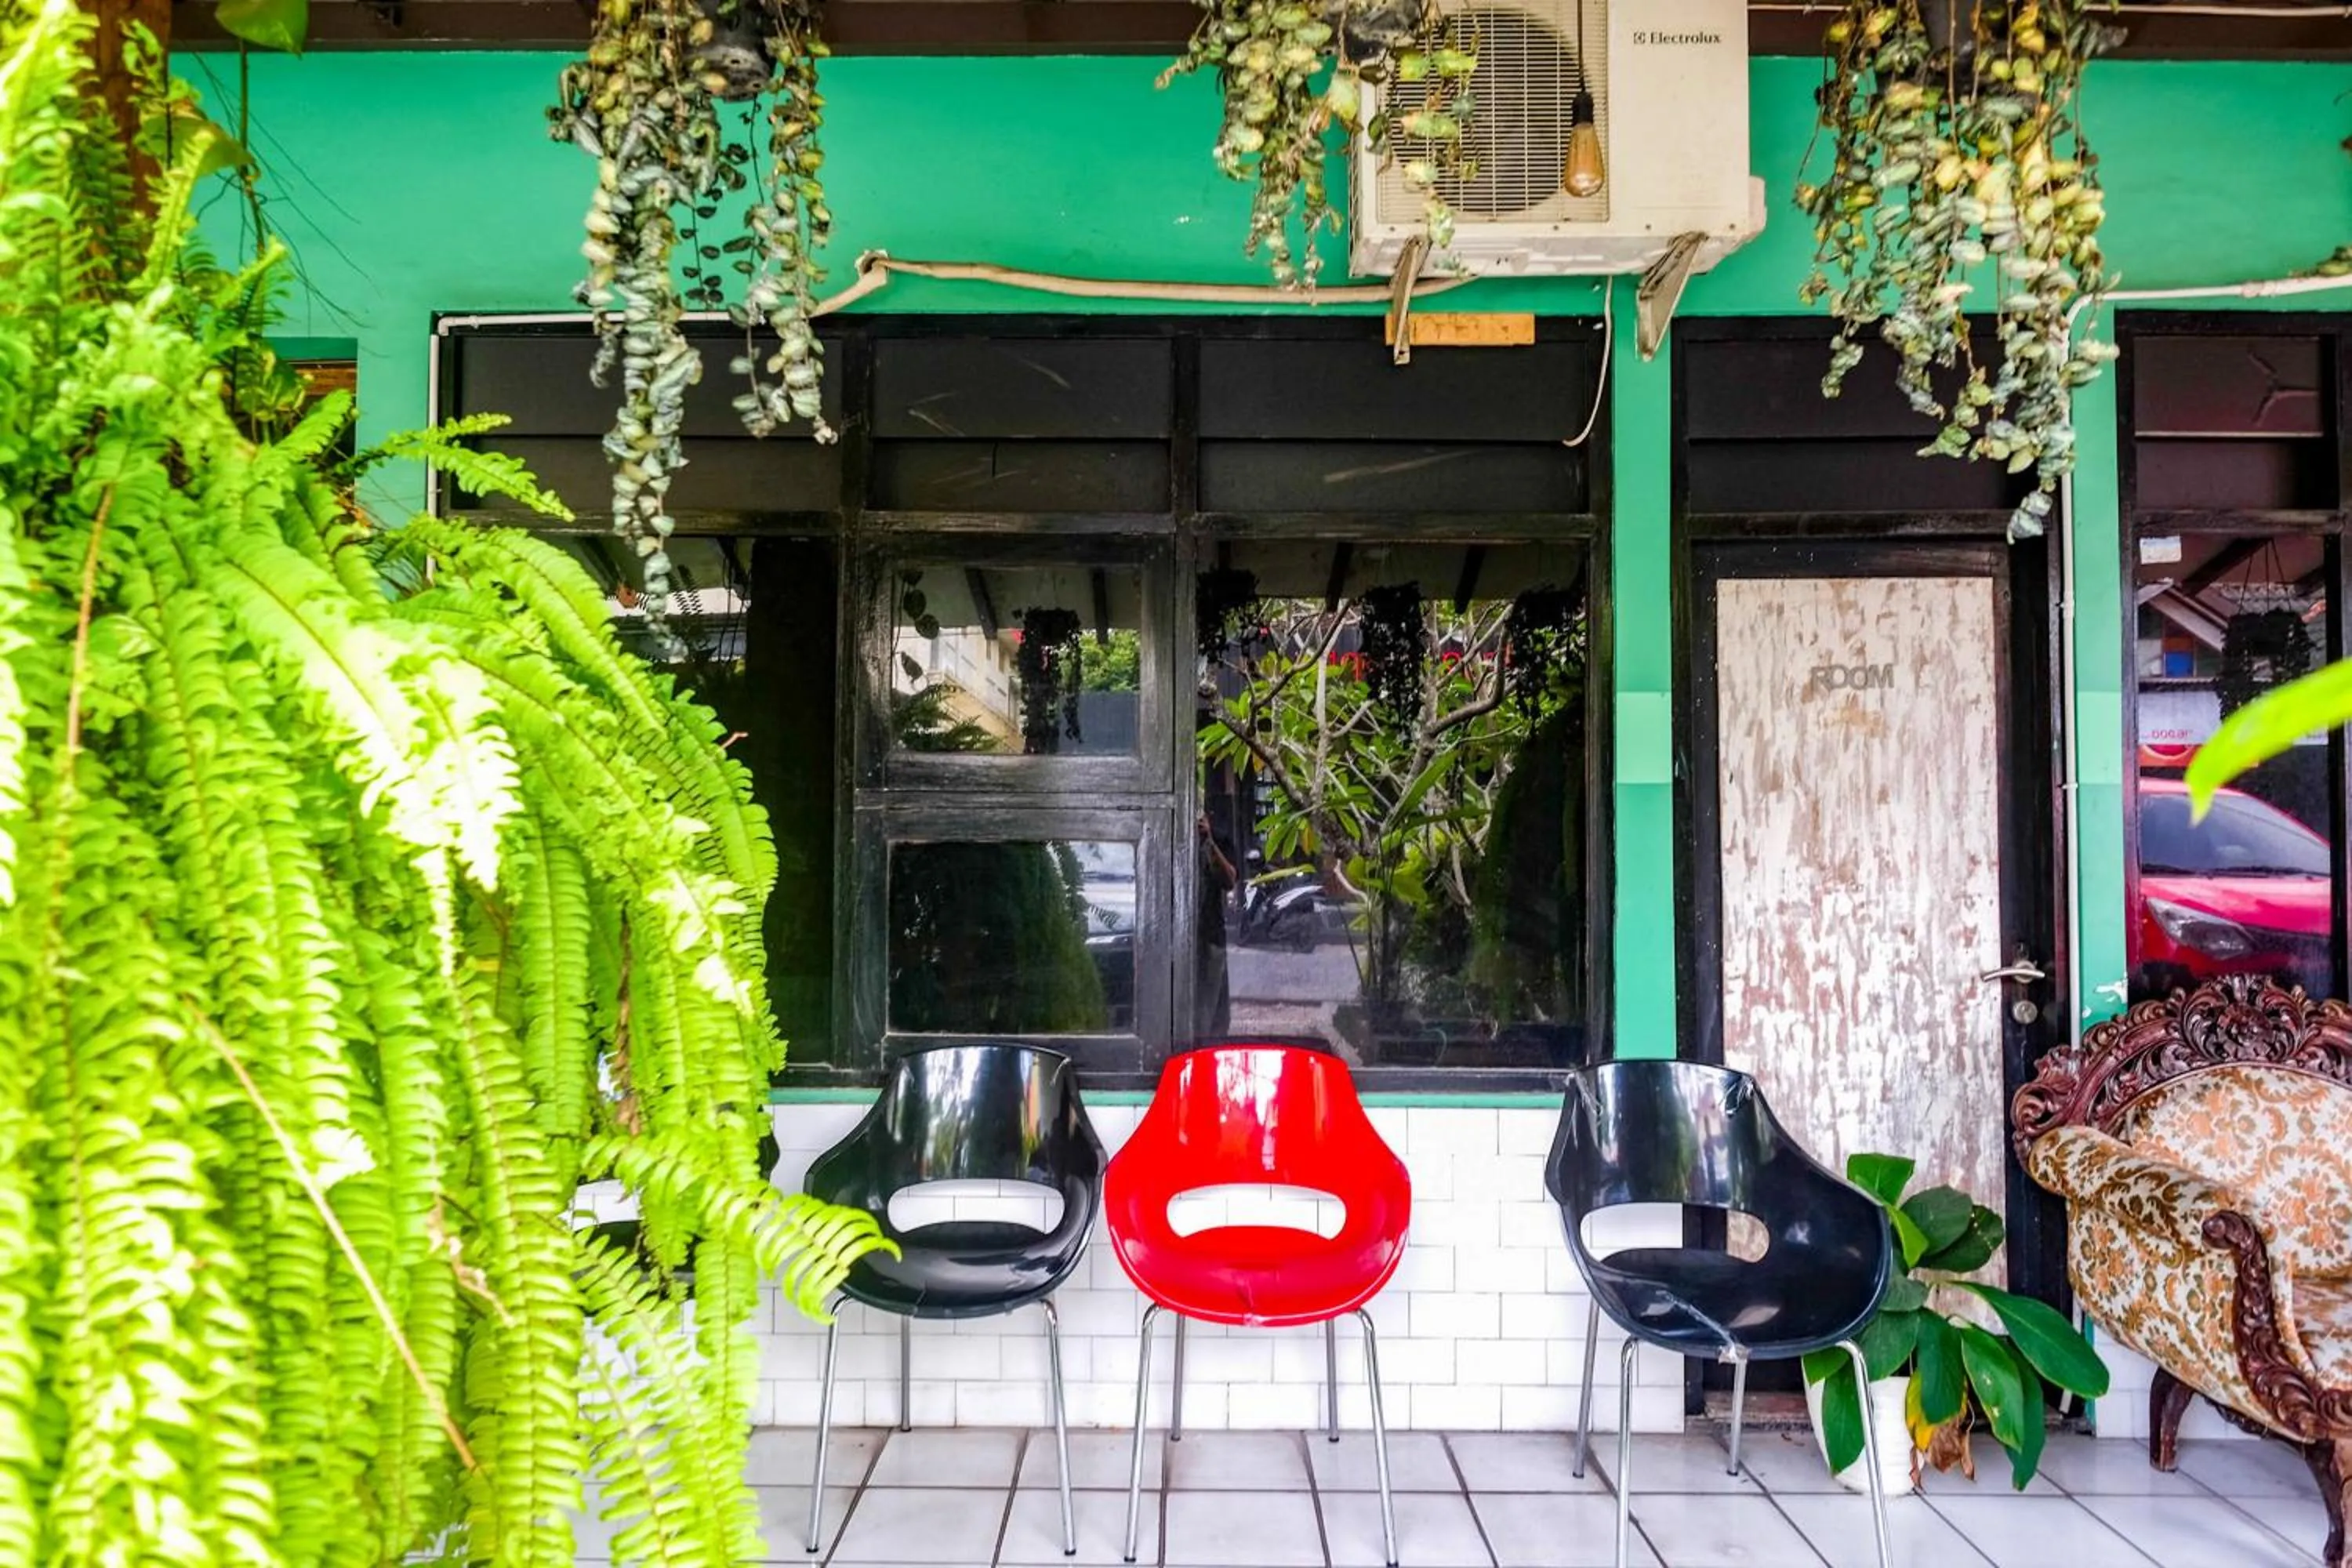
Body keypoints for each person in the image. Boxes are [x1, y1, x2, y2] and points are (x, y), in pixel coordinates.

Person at [1196, 810, 1237, 1038]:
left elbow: (1230, 879)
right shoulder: (1170, 832)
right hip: (1178, 940)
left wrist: (1209, 841)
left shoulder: (1217, 838)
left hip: (1210, 936)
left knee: (1212, 1013)